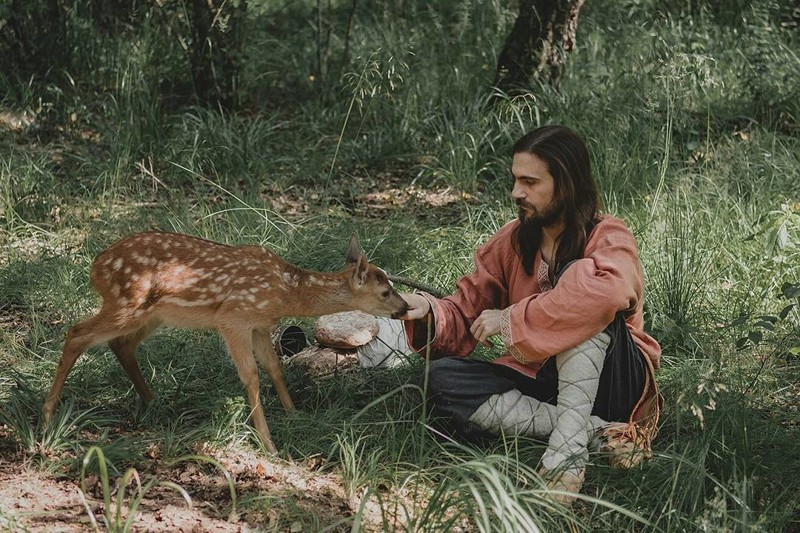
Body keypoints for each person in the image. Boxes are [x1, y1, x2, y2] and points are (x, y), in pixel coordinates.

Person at [399, 124, 662, 503]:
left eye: (530, 182)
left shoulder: (608, 234)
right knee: (440, 380)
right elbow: (465, 310)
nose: (516, 192)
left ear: (566, 184)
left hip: (614, 379)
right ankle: (601, 432)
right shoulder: (512, 239)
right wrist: (428, 309)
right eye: (515, 180)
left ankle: (565, 457)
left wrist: (512, 320)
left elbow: (609, 293)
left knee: (581, 289)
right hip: (543, 379)